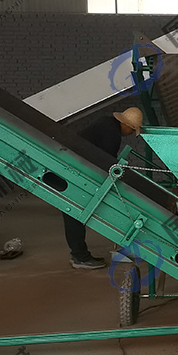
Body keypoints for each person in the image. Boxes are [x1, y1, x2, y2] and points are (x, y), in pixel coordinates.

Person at [64, 107, 143, 269]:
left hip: (74, 165)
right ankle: (79, 257)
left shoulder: (106, 123)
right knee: (74, 211)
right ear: (126, 125)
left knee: (75, 212)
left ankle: (79, 255)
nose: (130, 133)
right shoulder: (112, 133)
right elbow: (107, 164)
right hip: (76, 170)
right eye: (132, 130)